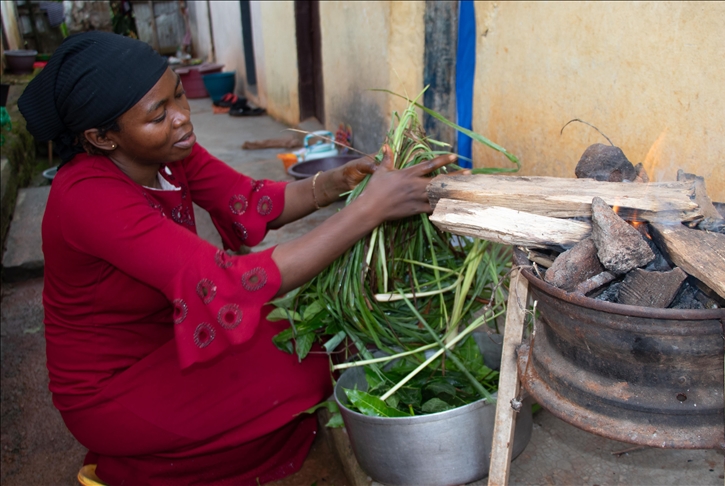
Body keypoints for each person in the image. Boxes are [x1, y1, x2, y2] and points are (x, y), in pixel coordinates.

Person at [18, 32, 460, 485]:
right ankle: (129, 467)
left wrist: (336, 183)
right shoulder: (87, 198)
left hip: (168, 342)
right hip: (109, 390)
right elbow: (228, 280)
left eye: (178, 96)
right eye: (158, 115)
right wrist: (370, 211)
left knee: (314, 338)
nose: (182, 119)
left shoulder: (168, 153)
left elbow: (249, 201)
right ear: (101, 137)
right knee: (309, 368)